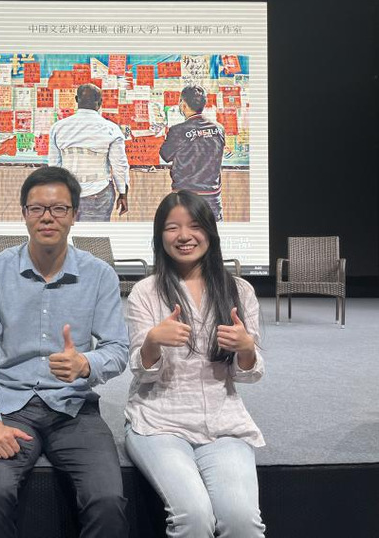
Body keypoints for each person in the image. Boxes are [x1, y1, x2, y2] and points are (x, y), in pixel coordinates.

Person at [0, 166, 130, 537]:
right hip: (10, 406)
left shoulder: (99, 274)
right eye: (37, 208)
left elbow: (118, 349)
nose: (47, 217)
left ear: (75, 214)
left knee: (107, 499)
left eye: (58, 209)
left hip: (73, 407)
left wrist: (86, 363)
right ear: (24, 213)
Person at [125, 189, 265, 537]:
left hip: (223, 422)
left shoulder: (239, 290)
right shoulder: (146, 291)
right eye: (172, 227)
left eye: (194, 226)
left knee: (242, 521)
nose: (184, 236)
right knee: (193, 516)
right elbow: (141, 372)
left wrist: (246, 348)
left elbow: (249, 374)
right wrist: (153, 341)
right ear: (160, 237)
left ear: (210, 232)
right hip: (158, 422)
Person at [48, 83, 130, 221]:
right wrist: (123, 193)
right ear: (100, 103)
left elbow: (54, 165)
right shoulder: (111, 129)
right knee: (94, 234)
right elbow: (119, 165)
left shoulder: (58, 128)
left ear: (76, 100)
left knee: (66, 233)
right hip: (98, 192)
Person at [160, 85, 226, 221]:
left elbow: (165, 155)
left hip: (185, 197)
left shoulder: (177, 131)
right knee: (211, 232)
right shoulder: (219, 129)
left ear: (183, 105)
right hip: (212, 197)